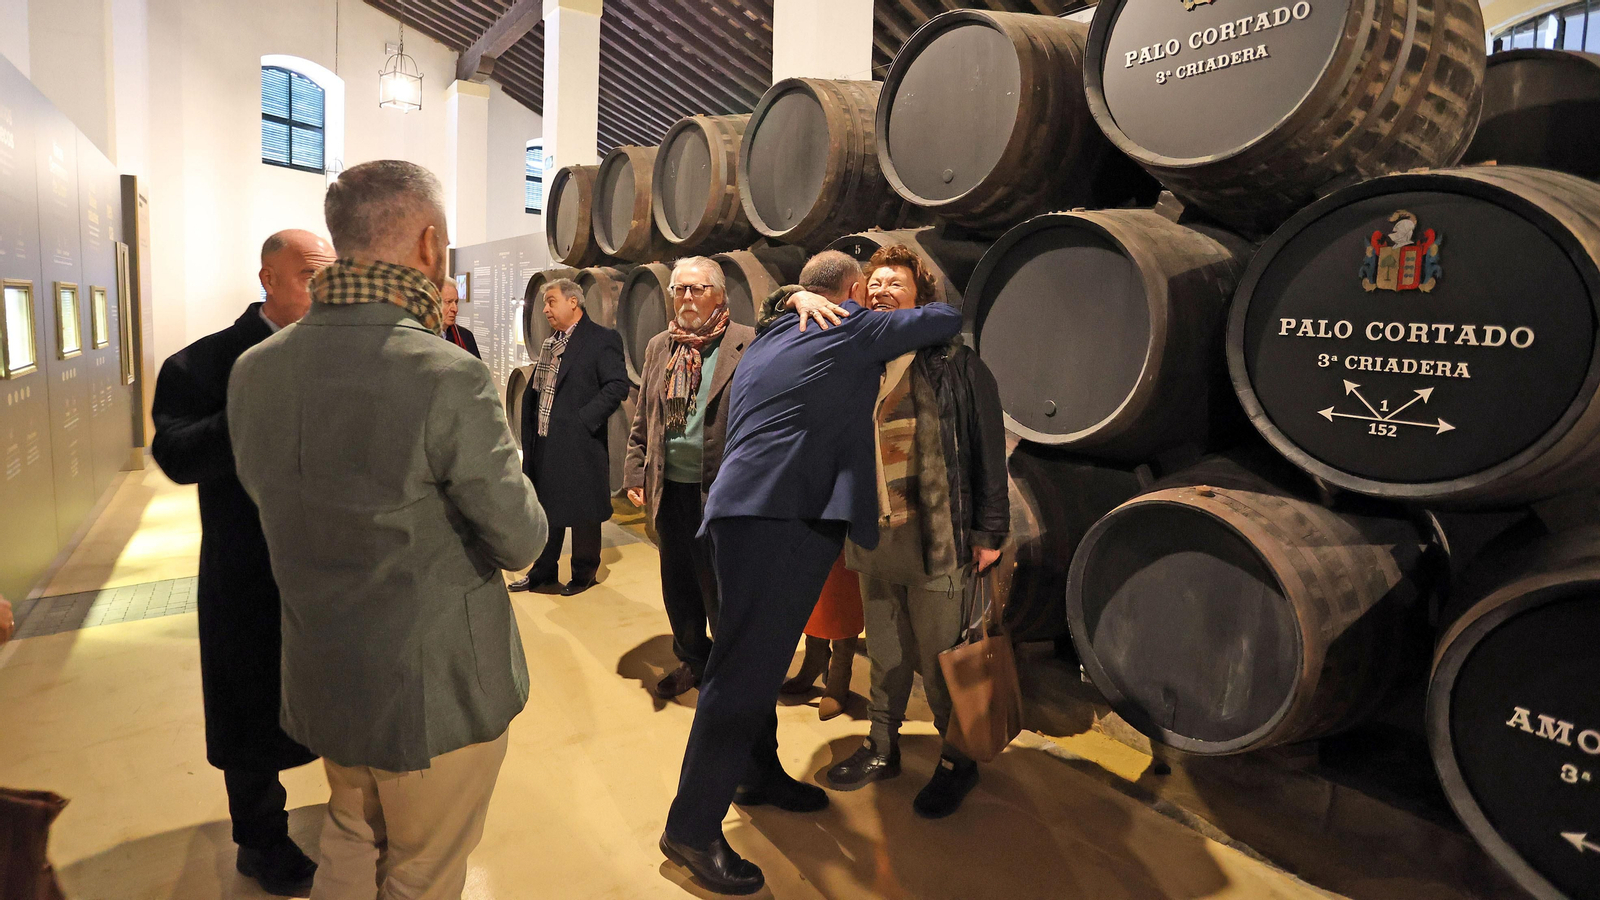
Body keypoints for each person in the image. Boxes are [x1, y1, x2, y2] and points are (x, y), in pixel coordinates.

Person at [228, 160, 547, 900]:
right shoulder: (445, 374)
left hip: (323, 667)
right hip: (432, 689)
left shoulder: (254, 370)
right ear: (429, 245)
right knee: (421, 871)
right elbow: (522, 539)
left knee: (349, 832)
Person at [660, 250, 962, 896]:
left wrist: (790, 296)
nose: (877, 296)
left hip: (743, 514)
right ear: (850, 291)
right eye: (869, 288)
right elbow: (946, 318)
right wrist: (877, 306)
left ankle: (756, 775)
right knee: (739, 676)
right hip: (778, 519)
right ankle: (690, 827)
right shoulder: (850, 326)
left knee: (755, 665)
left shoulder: (775, 333)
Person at [150, 228, 335, 897]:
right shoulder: (202, 364)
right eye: (311, 276)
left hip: (334, 567)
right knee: (251, 704)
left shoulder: (342, 357)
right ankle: (260, 839)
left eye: (331, 276)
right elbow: (176, 455)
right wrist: (254, 409)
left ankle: (354, 811)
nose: (325, 290)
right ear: (268, 279)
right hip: (248, 570)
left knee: (341, 693)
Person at [822, 245, 1009, 820]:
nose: (882, 292)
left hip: (936, 538)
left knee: (941, 660)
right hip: (874, 537)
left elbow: (987, 449)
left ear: (920, 297)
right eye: (874, 284)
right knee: (885, 654)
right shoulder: (859, 360)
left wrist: (990, 529)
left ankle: (958, 760)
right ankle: (882, 746)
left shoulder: (956, 363)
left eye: (895, 284)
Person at [622, 257, 756, 699]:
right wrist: (636, 469)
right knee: (679, 584)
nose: (687, 298)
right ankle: (692, 660)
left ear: (719, 294)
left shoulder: (746, 343)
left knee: (721, 583)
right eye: (680, 289)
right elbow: (644, 416)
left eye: (698, 289)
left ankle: (730, 669)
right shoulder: (661, 346)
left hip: (721, 490)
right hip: (671, 487)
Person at [511, 278, 629, 596]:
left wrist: (584, 420)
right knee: (546, 508)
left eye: (551, 301)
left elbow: (617, 385)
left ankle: (583, 573)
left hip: (580, 442)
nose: (545, 309)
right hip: (546, 439)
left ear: (572, 302)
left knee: (583, 510)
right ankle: (542, 572)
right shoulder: (552, 342)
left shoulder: (601, 339)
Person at [439, 277, 480, 359]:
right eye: (448, 302)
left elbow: (476, 366)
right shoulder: (420, 338)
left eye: (456, 302)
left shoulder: (465, 336)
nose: (455, 309)